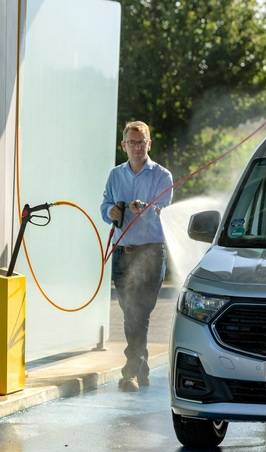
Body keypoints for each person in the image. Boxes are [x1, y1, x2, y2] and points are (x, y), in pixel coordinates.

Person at [100, 121, 173, 392]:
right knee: (131, 313)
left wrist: (146, 208)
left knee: (138, 312)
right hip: (123, 253)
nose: (137, 147)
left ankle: (130, 371)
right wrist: (112, 212)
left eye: (142, 142)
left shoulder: (162, 175)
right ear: (124, 146)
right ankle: (140, 367)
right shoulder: (115, 175)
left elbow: (164, 208)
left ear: (149, 144)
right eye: (132, 142)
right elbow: (105, 203)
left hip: (151, 253)